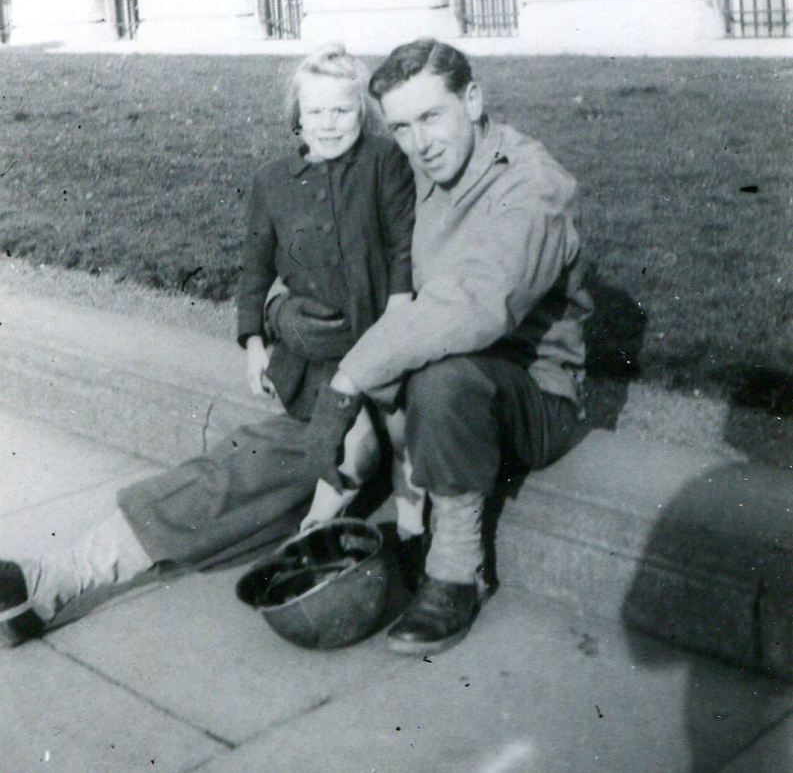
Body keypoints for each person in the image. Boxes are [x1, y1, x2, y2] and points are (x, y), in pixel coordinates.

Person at [0, 43, 423, 645]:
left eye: (344, 110)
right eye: (316, 112)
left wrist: (395, 316)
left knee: (327, 459)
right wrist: (259, 334)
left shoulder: (389, 166)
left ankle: (343, 543)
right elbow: (255, 268)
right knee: (246, 470)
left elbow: (407, 252)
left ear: (367, 113)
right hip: (320, 372)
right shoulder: (277, 182)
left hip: (394, 365)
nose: (330, 123)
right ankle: (60, 577)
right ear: (295, 118)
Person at [298, 39, 592, 654]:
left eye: (431, 116)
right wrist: (277, 302)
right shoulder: (425, 168)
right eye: (401, 127)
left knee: (445, 378)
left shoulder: (531, 186)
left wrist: (350, 381)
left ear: (474, 100)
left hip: (531, 395)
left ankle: (456, 573)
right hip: (447, 373)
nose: (419, 142)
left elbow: (476, 308)